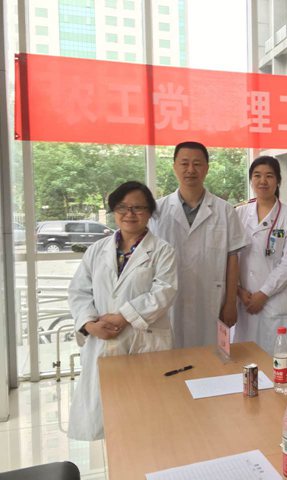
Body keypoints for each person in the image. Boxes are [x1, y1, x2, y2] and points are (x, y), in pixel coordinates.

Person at [67, 181, 177, 440]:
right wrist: (89, 324)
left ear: (149, 212)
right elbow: (79, 291)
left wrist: (124, 316)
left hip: (144, 339)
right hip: (102, 338)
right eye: (122, 207)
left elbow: (164, 291)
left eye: (138, 207)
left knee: (144, 416)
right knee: (107, 415)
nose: (130, 214)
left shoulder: (162, 251)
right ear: (114, 211)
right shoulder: (97, 250)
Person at [149, 141, 248, 348]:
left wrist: (231, 303)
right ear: (174, 167)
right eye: (184, 163)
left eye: (197, 164)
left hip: (211, 299)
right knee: (171, 357)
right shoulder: (157, 211)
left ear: (207, 168)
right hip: (170, 301)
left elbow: (233, 259)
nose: (190, 170)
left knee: (210, 358)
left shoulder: (225, 210)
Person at [235, 156, 287, 365]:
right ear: (251, 180)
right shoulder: (239, 213)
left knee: (277, 366)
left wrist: (263, 293)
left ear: (278, 181)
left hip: (275, 301)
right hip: (245, 300)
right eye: (257, 176)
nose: (262, 181)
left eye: (269, 176)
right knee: (246, 364)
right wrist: (238, 290)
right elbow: (230, 256)